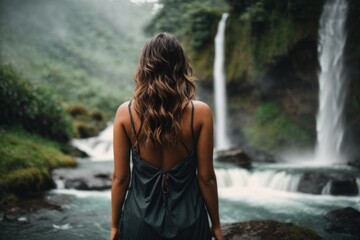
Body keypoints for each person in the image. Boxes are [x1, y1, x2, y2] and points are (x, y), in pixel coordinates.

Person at [110, 32, 222, 240]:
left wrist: (115, 226)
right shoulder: (201, 113)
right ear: (180, 66)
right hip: (190, 223)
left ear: (144, 67)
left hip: (139, 223)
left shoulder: (125, 113)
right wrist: (216, 225)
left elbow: (120, 178)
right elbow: (206, 179)